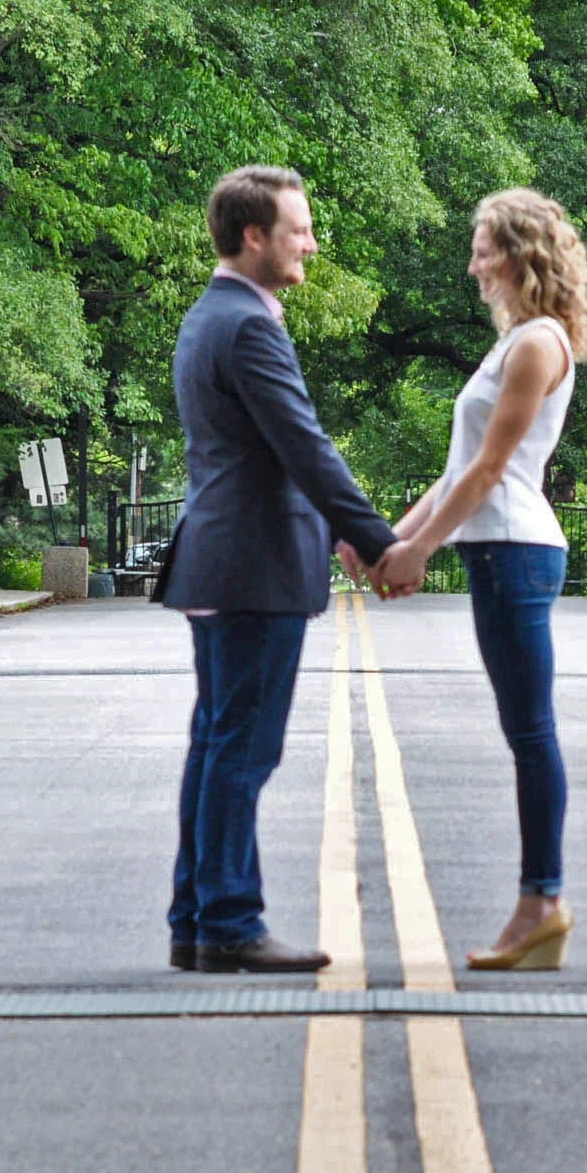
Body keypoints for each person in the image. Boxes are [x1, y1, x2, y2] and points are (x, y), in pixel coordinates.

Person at [161, 165, 399, 974]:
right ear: (253, 235)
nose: (311, 242)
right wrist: (376, 538)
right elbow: (303, 443)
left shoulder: (210, 315)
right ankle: (228, 921)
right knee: (242, 748)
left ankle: (196, 920)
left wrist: (339, 529)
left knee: (218, 742)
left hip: (223, 558)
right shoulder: (250, 326)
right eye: (298, 229)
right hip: (251, 564)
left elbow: (271, 448)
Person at [353, 187, 587, 971]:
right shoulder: (517, 342)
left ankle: (542, 904)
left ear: (520, 253)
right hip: (500, 549)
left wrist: (420, 552)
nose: (471, 264)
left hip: (518, 549)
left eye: (482, 248)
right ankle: (539, 905)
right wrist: (389, 539)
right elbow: (459, 468)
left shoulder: (537, 344)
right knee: (524, 730)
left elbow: (491, 470)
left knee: (531, 731)